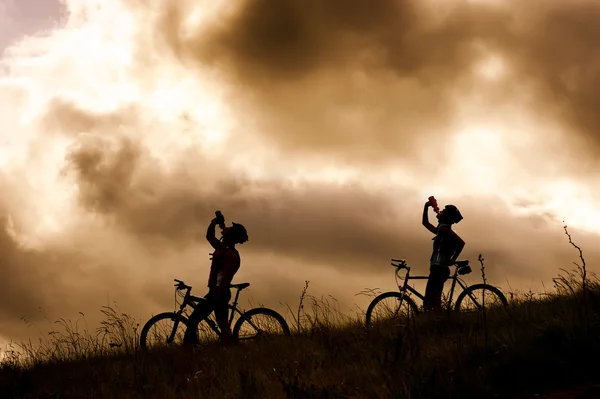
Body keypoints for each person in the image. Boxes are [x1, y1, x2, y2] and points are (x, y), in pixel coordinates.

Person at [183, 215, 249, 346]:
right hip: (218, 291)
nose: (227, 228)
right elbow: (210, 237)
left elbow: (227, 277)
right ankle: (230, 347)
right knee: (223, 326)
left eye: (230, 228)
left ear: (232, 236)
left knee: (194, 319)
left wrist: (217, 295)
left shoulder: (230, 254)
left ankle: (189, 348)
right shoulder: (223, 248)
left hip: (220, 292)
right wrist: (214, 223)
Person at [422, 199, 465, 312]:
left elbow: (461, 243)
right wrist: (426, 207)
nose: (440, 211)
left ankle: (438, 320)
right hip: (438, 267)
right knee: (433, 299)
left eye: (443, 211)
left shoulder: (444, 229)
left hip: (439, 267)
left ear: (446, 217)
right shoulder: (441, 229)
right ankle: (438, 318)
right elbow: (425, 223)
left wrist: (452, 259)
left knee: (430, 300)